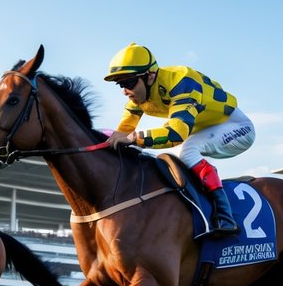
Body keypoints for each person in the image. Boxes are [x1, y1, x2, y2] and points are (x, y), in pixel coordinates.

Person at [103, 43, 255, 238]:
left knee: (187, 151)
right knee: (168, 160)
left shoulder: (182, 81)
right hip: (203, 129)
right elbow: (123, 131)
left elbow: (175, 134)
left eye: (129, 82)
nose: (125, 91)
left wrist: (134, 138)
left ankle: (225, 215)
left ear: (150, 76)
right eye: (120, 84)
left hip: (236, 126)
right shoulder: (139, 95)